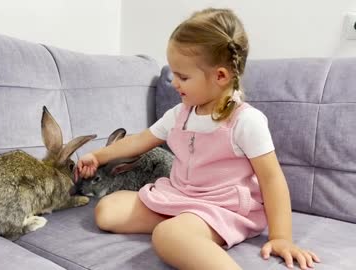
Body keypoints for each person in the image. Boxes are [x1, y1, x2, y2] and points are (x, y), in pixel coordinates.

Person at [77, 8, 320, 270]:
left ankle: (187, 232)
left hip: (221, 208)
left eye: (183, 77)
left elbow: (272, 179)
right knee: (107, 210)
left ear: (220, 76)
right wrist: (98, 156)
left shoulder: (245, 121)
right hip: (179, 196)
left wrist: (281, 237)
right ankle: (186, 228)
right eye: (174, 74)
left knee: (167, 236)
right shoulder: (180, 114)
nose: (173, 83)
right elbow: (140, 140)